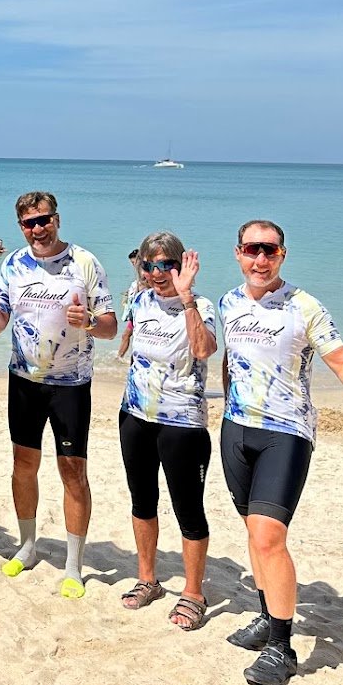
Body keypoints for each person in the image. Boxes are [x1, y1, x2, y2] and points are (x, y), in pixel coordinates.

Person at [220, 220, 343, 685]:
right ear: (238, 253)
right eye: (252, 250)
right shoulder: (229, 302)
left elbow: (341, 360)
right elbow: (231, 364)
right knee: (254, 531)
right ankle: (266, 616)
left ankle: (282, 647)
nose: (260, 259)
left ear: (283, 254)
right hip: (236, 430)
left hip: (286, 432)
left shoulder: (305, 306)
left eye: (270, 250)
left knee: (269, 537)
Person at [0, 191, 116, 598]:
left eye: (43, 220)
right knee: (23, 465)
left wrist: (89, 321)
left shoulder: (85, 262)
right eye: (29, 223)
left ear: (57, 219)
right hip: (23, 381)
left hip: (70, 385)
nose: (37, 229)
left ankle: (73, 565)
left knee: (73, 471)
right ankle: (27, 546)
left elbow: (110, 327)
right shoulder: (13, 264)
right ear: (21, 227)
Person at [114, 233, 217, 630]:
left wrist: (186, 297)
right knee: (142, 500)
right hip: (135, 415)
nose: (157, 273)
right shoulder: (140, 301)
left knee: (188, 509)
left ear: (181, 266)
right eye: (149, 265)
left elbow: (203, 350)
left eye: (166, 265)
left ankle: (193, 593)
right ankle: (148, 580)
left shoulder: (201, 305)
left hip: (183, 422)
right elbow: (133, 347)